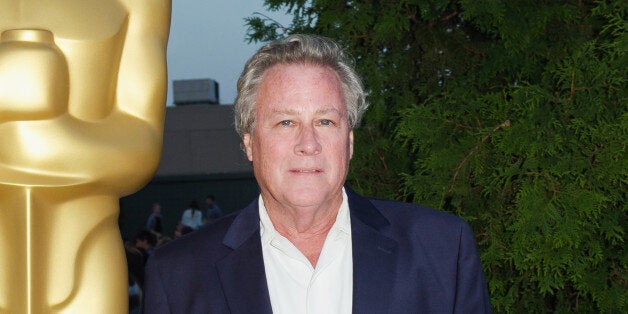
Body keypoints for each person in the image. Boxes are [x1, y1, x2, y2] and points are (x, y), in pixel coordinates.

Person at [143, 34, 492, 313]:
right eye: (285, 122)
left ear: (349, 142)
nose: (308, 143)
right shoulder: (178, 275)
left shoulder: (442, 250)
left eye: (325, 121)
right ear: (249, 143)